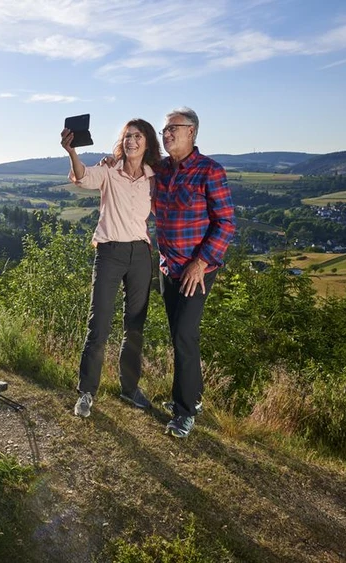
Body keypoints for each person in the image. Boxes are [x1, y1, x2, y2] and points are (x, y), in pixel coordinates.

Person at [60, 118, 162, 418]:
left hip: (141, 255)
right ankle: (87, 392)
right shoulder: (108, 170)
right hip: (110, 252)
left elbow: (163, 208)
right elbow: (82, 177)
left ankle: (129, 389)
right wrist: (72, 152)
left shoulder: (152, 178)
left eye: (138, 136)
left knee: (135, 327)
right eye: (127, 136)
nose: (131, 140)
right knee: (99, 324)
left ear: (147, 142)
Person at [154, 107, 236, 438]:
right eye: (164, 129)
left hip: (196, 270)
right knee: (181, 337)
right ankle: (195, 397)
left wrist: (201, 262)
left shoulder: (209, 171)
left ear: (192, 132)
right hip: (168, 266)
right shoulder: (159, 170)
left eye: (173, 128)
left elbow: (226, 222)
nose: (167, 134)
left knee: (185, 336)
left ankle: (184, 411)